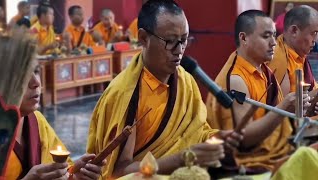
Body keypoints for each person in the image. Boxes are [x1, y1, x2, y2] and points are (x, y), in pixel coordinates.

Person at [87, 0, 243, 179]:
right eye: (169, 41)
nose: (179, 50)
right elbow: (117, 172)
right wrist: (181, 159)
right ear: (144, 38)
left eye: (184, 40)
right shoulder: (125, 94)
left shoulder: (185, 81)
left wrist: (219, 139)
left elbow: (196, 133)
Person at [206, 10, 310, 173]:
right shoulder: (236, 79)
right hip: (250, 162)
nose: (273, 42)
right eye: (266, 36)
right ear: (244, 38)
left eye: (274, 35)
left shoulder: (264, 72)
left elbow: (278, 123)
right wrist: (283, 109)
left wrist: (298, 107)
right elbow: (244, 140)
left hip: (276, 150)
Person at [4, 63, 105, 179]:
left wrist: (74, 175)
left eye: (36, 71)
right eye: (23, 74)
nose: (36, 83)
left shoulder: (36, 120)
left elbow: (64, 172)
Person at [269, 5, 318, 99]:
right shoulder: (277, 58)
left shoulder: (299, 54)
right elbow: (281, 109)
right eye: (313, 33)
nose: (315, 40)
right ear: (294, 31)